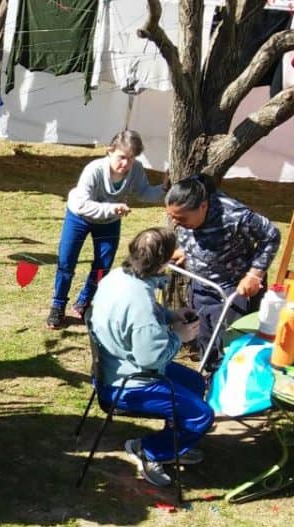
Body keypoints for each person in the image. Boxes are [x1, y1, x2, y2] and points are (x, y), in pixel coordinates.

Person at [90, 227, 215, 487]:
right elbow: (151, 358)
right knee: (201, 415)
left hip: (114, 366)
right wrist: (179, 336)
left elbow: (142, 314)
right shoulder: (141, 306)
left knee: (195, 383)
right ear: (163, 261)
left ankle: (173, 444)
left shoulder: (118, 277)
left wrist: (170, 315)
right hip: (128, 383)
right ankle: (149, 450)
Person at [47, 130, 165, 329]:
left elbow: (145, 193)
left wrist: (164, 188)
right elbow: (83, 204)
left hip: (109, 221)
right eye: (121, 157)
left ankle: (84, 303)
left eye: (131, 158)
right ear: (109, 151)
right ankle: (57, 306)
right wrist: (112, 208)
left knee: (102, 266)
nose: (126, 164)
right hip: (79, 217)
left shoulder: (135, 169)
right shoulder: (94, 170)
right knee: (67, 262)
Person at [166, 175, 281, 371]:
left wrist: (255, 274)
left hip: (233, 291)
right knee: (204, 340)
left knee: (232, 347)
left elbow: (271, 235)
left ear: (203, 206)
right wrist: (188, 250)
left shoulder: (234, 214)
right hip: (201, 287)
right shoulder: (188, 215)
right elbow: (194, 234)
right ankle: (210, 381)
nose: (176, 224)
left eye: (181, 218)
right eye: (172, 217)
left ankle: (231, 388)